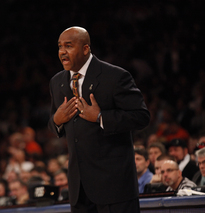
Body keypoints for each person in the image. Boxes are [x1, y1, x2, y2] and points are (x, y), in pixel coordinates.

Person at [48, 26, 150, 213]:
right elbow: (55, 122)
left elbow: (141, 116)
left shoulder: (115, 76)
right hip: (79, 189)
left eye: (68, 46)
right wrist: (56, 120)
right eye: (60, 46)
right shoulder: (57, 81)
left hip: (114, 187)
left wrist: (101, 117)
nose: (62, 52)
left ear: (85, 49)